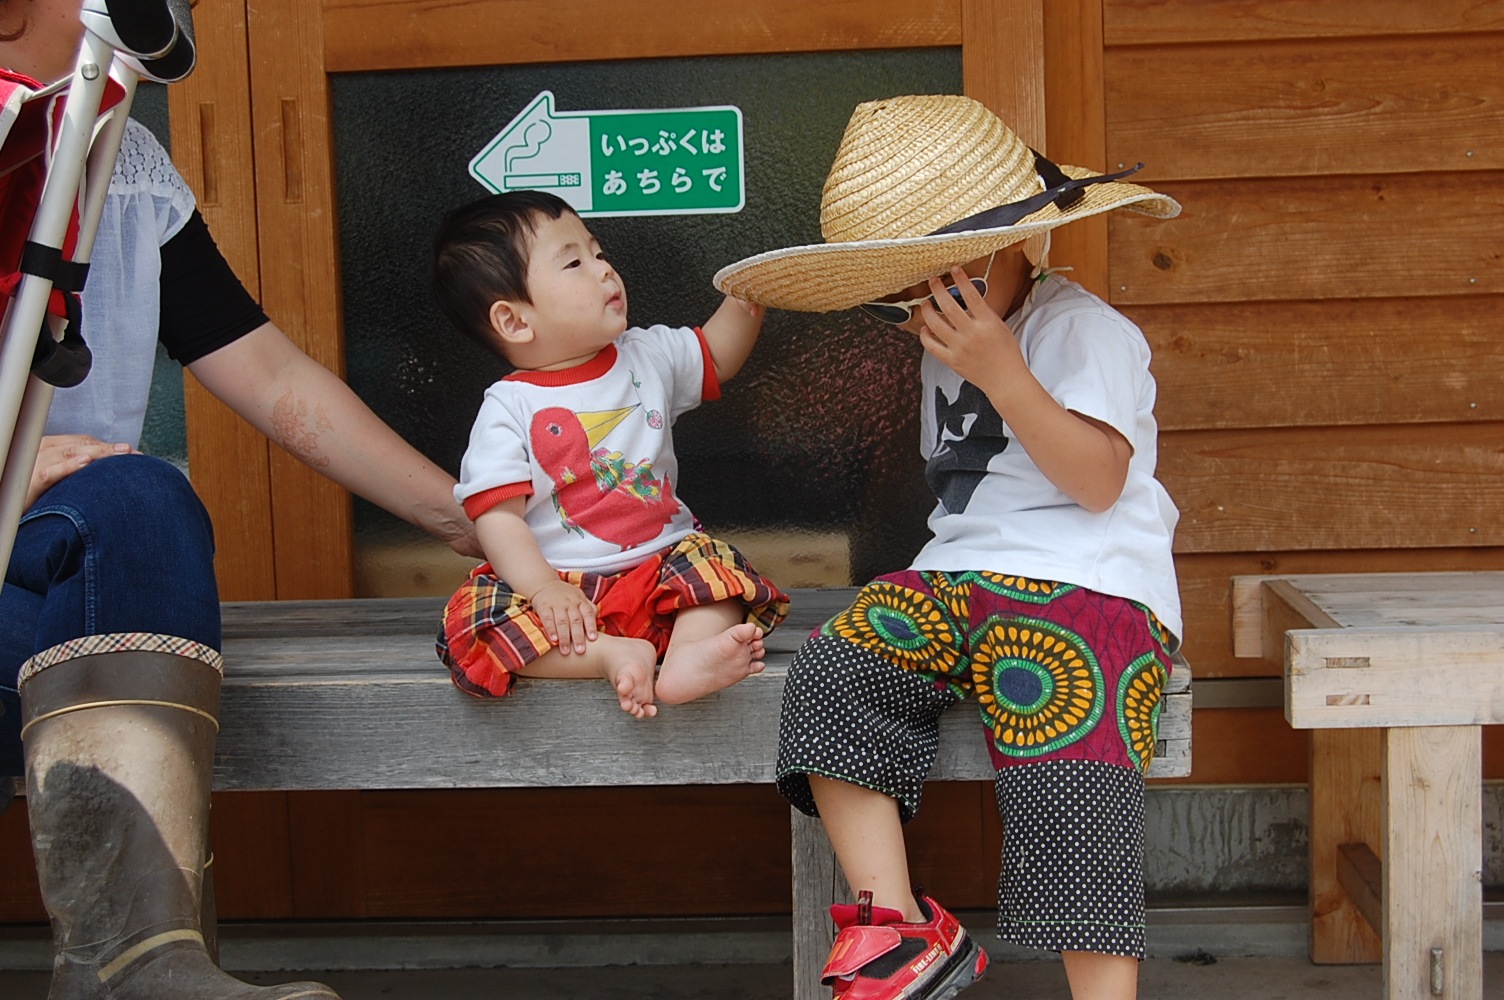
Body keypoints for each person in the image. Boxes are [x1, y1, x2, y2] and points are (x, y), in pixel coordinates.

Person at [0, 2, 477, 997]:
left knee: (136, 498)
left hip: (47, 589)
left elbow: (271, 377)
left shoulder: (116, 167)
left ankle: (136, 968)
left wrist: (476, 522)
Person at [714, 94, 1184, 1000]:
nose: (915, 310)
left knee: (1069, 762)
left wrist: (1003, 369)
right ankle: (895, 931)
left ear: (1006, 248)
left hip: (1083, 586)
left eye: (933, 279)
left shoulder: (1081, 330)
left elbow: (1096, 481)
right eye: (895, 295)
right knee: (837, 669)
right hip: (959, 578)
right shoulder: (945, 337)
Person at [432, 190, 789, 719]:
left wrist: (744, 301)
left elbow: (715, 353)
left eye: (598, 252)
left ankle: (690, 656)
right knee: (477, 623)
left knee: (716, 574)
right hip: (562, 587)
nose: (603, 269)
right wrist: (543, 589)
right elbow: (497, 518)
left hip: (660, 564)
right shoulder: (510, 405)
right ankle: (610, 655)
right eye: (574, 262)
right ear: (514, 321)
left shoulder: (646, 354)